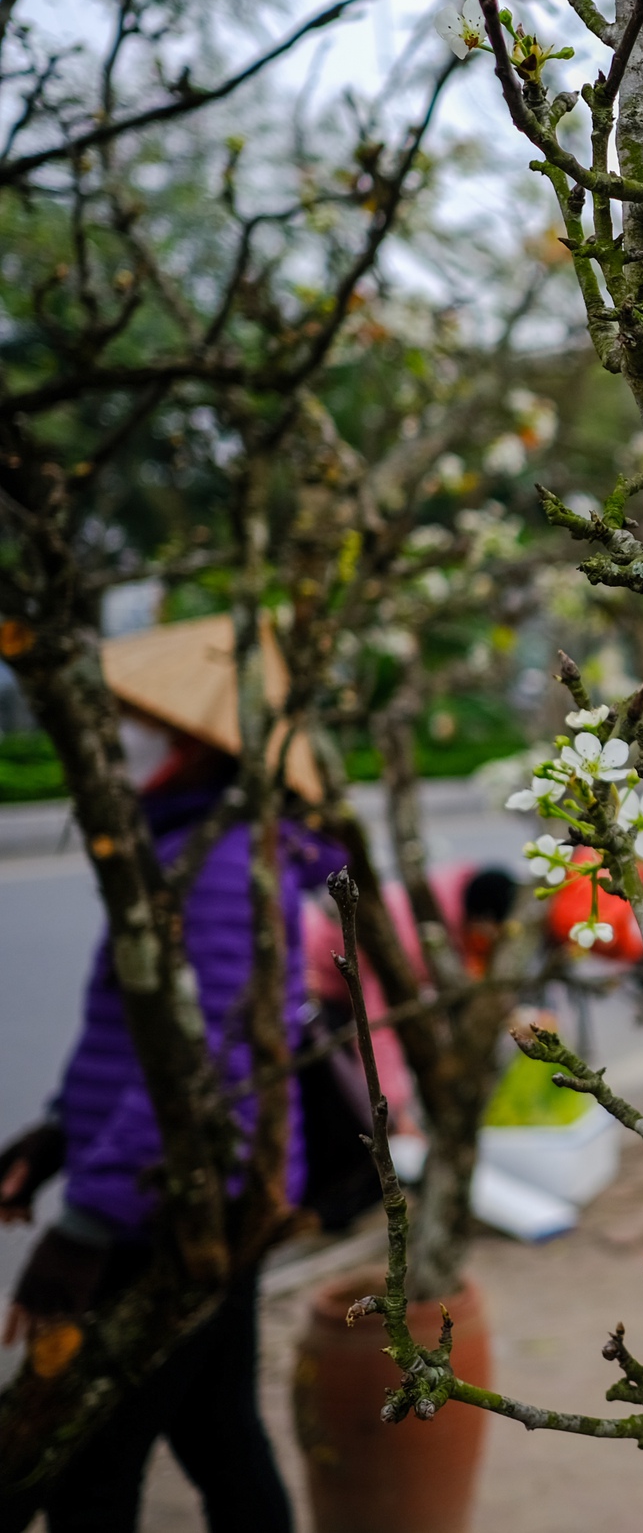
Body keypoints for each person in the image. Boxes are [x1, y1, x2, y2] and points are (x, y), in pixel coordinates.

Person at [0, 615, 337, 1532]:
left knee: (91, 1463)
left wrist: (84, 1221)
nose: (133, 736)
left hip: (170, 1205)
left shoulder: (219, 862)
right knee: (216, 1430)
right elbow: (131, 1030)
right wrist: (61, 1132)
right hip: (185, 1194)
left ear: (201, 743)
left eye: (155, 724)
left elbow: (198, 1071)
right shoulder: (185, 850)